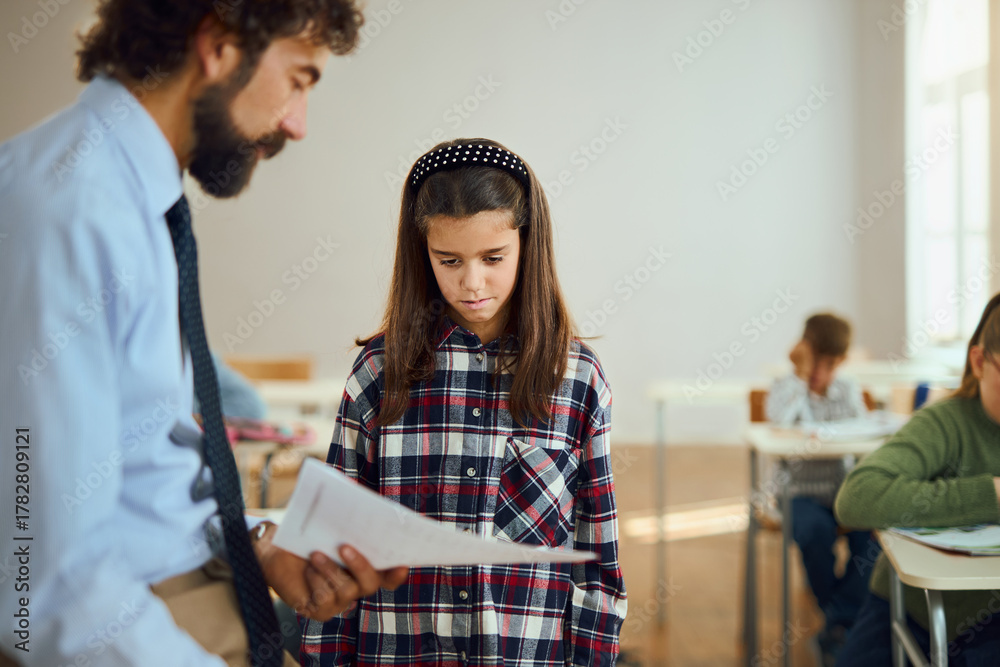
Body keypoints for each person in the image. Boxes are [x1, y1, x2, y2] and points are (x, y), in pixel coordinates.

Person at [0, 2, 407, 665]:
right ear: (218, 45)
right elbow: (45, 582)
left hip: (195, 593)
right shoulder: (69, 212)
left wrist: (262, 544)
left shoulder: (131, 199)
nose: (297, 124)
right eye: (299, 79)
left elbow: (143, 475)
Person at [300, 139, 628, 666]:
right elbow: (332, 549)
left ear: (527, 244)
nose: (471, 283)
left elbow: (597, 559)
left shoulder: (578, 378)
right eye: (448, 260)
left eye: (493, 258)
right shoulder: (377, 375)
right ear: (421, 253)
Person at [834, 296, 1000, 665]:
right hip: (914, 609)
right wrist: (989, 494)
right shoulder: (945, 423)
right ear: (979, 362)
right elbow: (857, 497)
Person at [766, 313, 876, 665]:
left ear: (840, 362)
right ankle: (841, 623)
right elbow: (780, 421)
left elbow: (861, 434)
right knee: (814, 531)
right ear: (802, 354)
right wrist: (799, 377)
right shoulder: (786, 386)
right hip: (798, 493)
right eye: (814, 362)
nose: (820, 372)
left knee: (874, 536)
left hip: (843, 491)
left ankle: (838, 618)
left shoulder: (848, 389)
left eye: (829, 364)